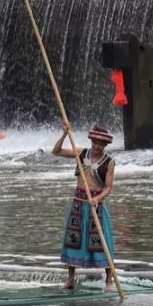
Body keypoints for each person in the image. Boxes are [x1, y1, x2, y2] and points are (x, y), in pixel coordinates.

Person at [52, 124, 117, 291]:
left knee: (103, 243)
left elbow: (109, 188)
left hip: (96, 205)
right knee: (73, 240)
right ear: (92, 141)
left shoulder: (109, 163)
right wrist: (65, 134)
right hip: (78, 203)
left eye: (101, 144)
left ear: (105, 146)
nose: (97, 146)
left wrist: (97, 198)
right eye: (95, 143)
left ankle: (109, 281)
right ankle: (71, 279)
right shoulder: (81, 153)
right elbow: (56, 151)